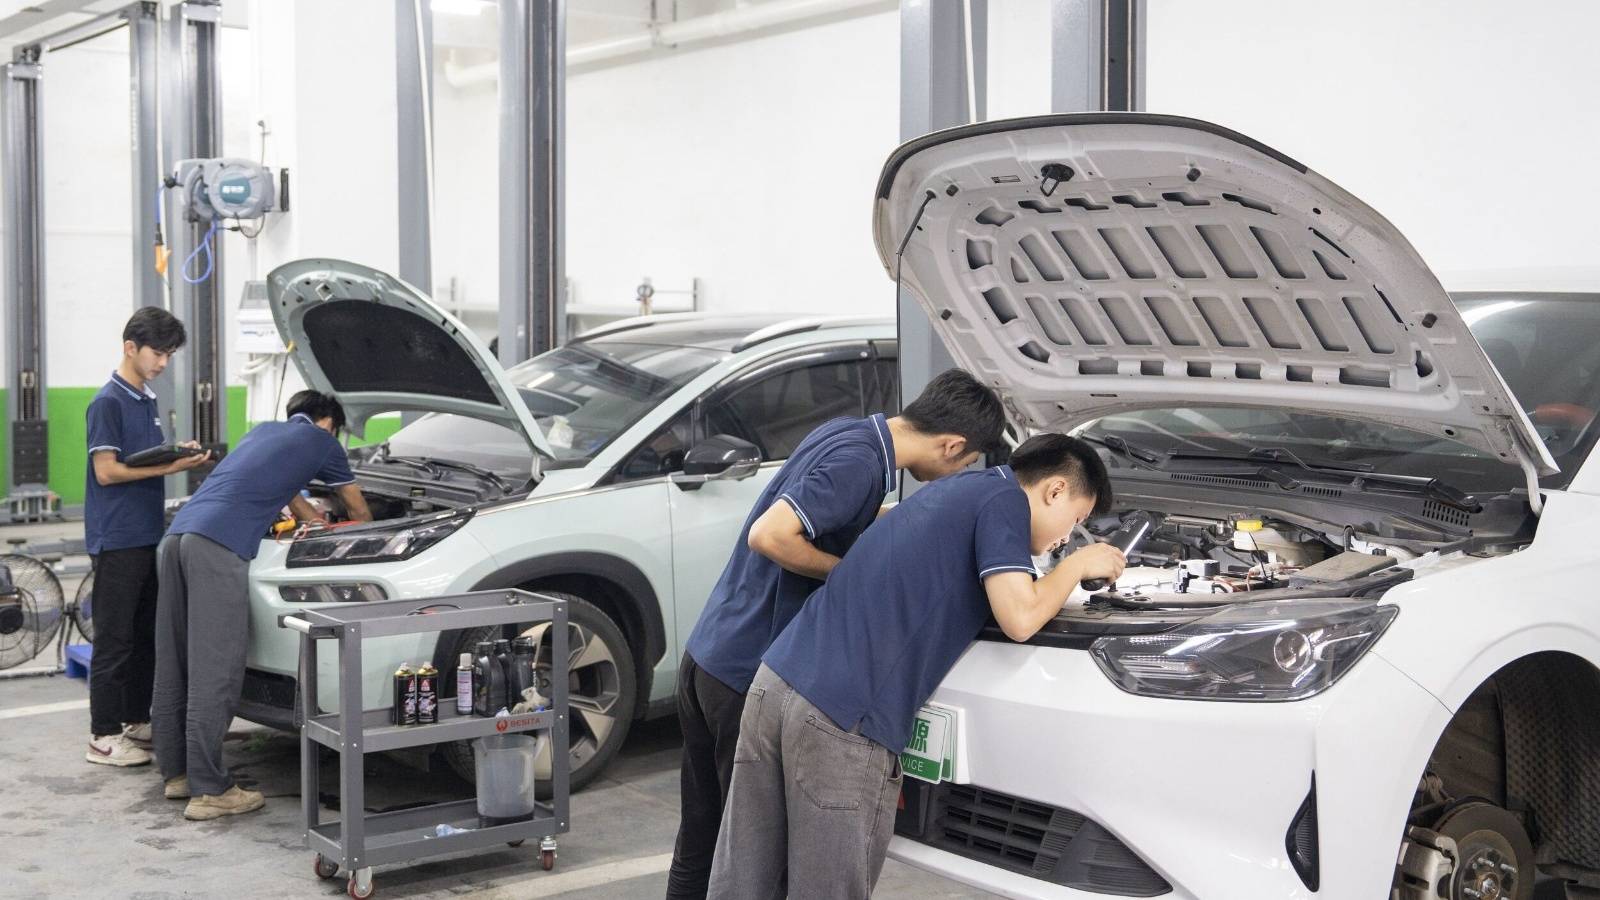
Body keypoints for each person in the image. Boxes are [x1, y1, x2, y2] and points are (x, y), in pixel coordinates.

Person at [706, 433, 1125, 899]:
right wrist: (1077, 566)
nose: (1068, 536)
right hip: (841, 716)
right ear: (1055, 490)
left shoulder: (958, 489)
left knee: (744, 881)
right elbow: (1021, 617)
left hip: (775, 683)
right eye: (1077, 519)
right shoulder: (1006, 502)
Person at [666, 369, 1007, 900]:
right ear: (952, 444)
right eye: (965, 463)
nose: (959, 473)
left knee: (704, 841)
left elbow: (832, 509)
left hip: (710, 652)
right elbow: (769, 535)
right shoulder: (861, 464)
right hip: (745, 669)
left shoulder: (848, 433)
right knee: (758, 864)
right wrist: (849, 574)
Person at [151, 390, 372, 821]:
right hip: (218, 544)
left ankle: (178, 774)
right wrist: (362, 527)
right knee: (216, 668)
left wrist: (316, 523)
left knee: (175, 660)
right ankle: (211, 791)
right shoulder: (323, 442)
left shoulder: (264, 434)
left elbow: (295, 504)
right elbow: (359, 510)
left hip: (178, 537)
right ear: (329, 424)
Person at [83, 308, 211, 768]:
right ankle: (102, 737)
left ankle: (135, 720)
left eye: (169, 355)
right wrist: (171, 466)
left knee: (143, 636)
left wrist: (175, 453)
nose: (162, 362)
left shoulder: (145, 400)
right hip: (116, 537)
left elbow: (138, 459)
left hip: (145, 534)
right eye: (158, 353)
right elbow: (107, 471)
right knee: (114, 640)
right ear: (130, 347)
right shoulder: (108, 402)